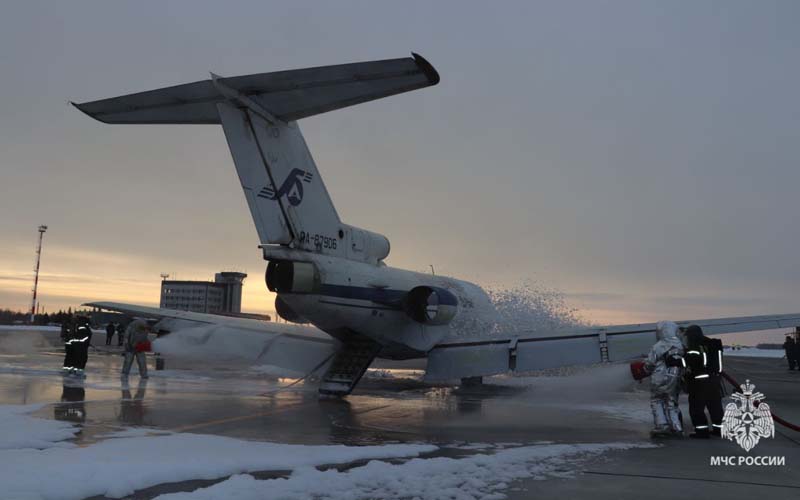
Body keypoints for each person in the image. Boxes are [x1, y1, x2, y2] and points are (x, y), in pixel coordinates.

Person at [643, 321, 685, 437]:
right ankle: (676, 427)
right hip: (675, 377)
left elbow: (650, 363)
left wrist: (645, 370)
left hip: (659, 377)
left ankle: (662, 426)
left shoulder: (659, 345)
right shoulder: (679, 345)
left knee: (657, 400)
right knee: (671, 402)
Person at [683, 324, 724, 438]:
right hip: (715, 380)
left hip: (700, 383)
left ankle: (702, 432)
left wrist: (672, 360)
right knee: (715, 406)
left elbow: (688, 361)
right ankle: (719, 430)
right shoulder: (712, 344)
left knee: (696, 408)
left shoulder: (695, 346)